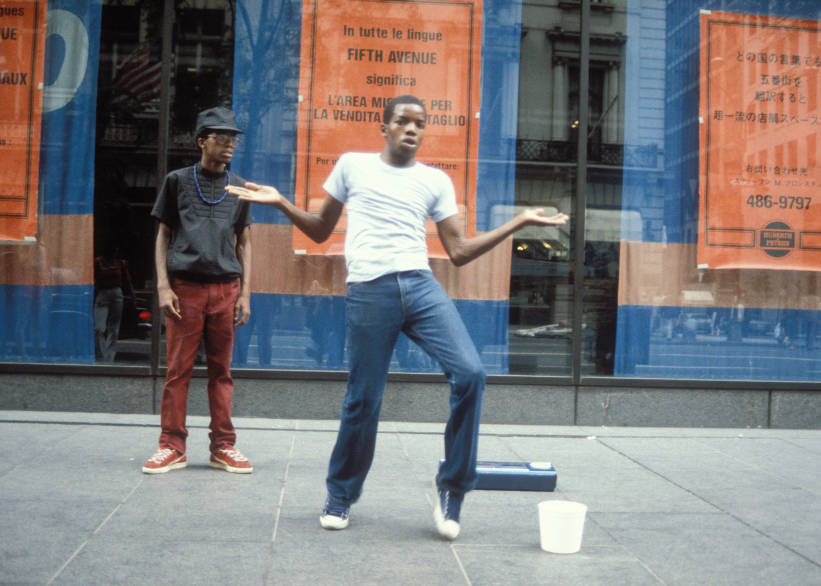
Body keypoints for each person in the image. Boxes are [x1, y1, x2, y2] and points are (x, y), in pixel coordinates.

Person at [226, 95, 568, 539]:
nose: (412, 129)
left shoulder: (435, 181)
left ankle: (452, 489)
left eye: (420, 124)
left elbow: (460, 253)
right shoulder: (352, 166)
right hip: (370, 290)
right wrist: (281, 203)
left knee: (471, 373)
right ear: (383, 127)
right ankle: (341, 493)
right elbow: (319, 229)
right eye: (403, 121)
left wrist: (518, 222)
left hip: (421, 287)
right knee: (363, 400)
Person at [142, 107, 254, 475]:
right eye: (221, 137)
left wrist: (246, 294)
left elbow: (245, 242)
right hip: (185, 289)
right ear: (201, 141)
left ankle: (223, 446)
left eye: (233, 138)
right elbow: (163, 236)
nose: (229, 145)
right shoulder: (177, 181)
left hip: (226, 289)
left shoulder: (239, 187)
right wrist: (162, 286)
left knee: (222, 372)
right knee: (178, 371)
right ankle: (171, 446)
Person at [93, 245, 135, 363]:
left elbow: (127, 280)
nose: (114, 253)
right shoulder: (98, 262)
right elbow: (93, 278)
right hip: (103, 293)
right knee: (99, 328)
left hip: (117, 293)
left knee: (114, 327)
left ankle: (109, 356)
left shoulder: (120, 263)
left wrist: (132, 295)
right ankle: (101, 354)